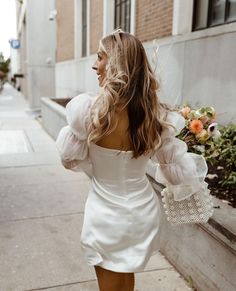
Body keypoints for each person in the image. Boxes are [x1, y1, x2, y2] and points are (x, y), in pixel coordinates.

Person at [56, 30, 207, 291]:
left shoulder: (90, 113)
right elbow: (177, 174)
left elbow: (69, 159)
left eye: (100, 57)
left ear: (115, 63)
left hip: (105, 216)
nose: (95, 65)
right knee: (126, 283)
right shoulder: (154, 115)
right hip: (142, 214)